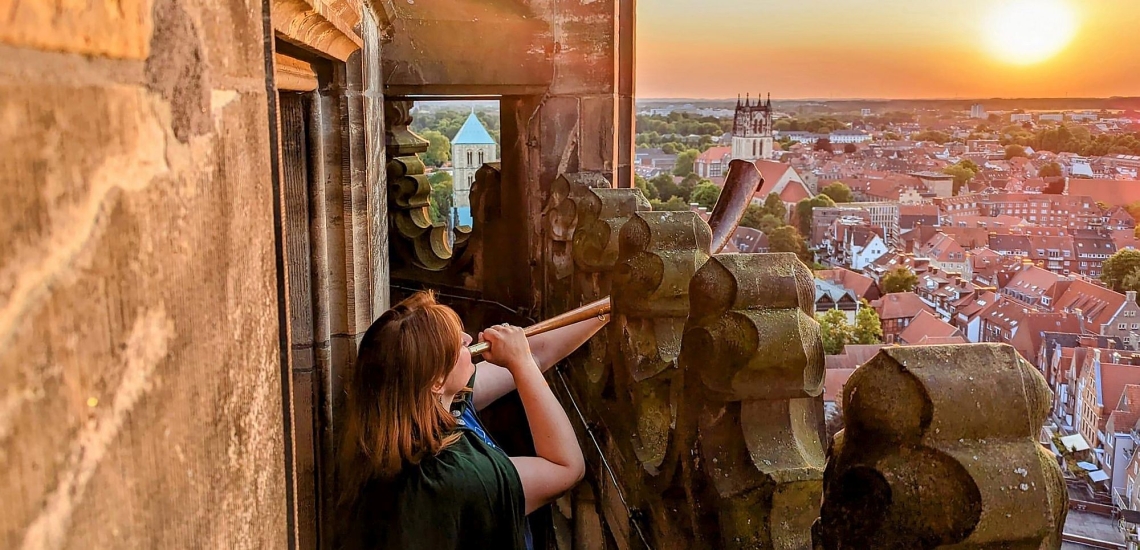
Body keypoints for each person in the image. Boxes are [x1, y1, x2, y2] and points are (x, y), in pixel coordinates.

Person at [337, 291, 606, 549]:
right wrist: (521, 363)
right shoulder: (453, 478)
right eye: (457, 343)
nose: (468, 338)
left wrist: (608, 308)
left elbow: (538, 353)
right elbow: (566, 468)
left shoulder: (416, 410)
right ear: (437, 381)